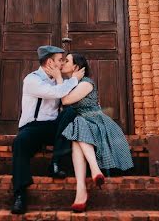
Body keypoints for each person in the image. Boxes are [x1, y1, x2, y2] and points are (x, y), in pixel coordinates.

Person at [11, 45, 85, 215]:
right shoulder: (32, 79)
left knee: (71, 113)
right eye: (60, 60)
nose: (62, 63)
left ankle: (56, 163)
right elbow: (54, 93)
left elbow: (72, 99)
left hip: (53, 128)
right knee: (20, 142)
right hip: (33, 127)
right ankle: (20, 195)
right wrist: (73, 80)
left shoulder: (62, 82)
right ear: (50, 62)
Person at [61, 53, 134, 213]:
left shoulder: (86, 83)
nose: (63, 63)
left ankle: (85, 185)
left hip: (98, 123)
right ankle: (88, 181)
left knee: (78, 126)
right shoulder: (70, 83)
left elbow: (65, 101)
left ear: (76, 67)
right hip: (82, 126)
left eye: (67, 61)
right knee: (77, 133)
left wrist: (59, 80)